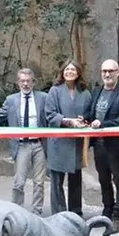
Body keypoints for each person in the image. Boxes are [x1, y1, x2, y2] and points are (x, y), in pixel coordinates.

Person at [0, 68, 49, 214]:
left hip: (39, 144)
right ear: (18, 83)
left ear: (33, 82)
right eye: (22, 81)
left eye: (28, 81)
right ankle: (17, 211)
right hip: (22, 145)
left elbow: (51, 116)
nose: (25, 84)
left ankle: (37, 212)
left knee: (39, 182)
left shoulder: (43, 98)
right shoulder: (11, 100)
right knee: (19, 182)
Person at [86, 59, 119, 234]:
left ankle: (118, 215)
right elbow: (90, 114)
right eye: (104, 71)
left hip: (116, 146)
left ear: (118, 72)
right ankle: (107, 211)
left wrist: (103, 124)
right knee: (103, 180)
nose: (107, 74)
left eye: (111, 71)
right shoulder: (97, 91)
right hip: (99, 145)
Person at [44, 60, 91, 217]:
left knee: (76, 180)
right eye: (67, 69)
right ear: (62, 72)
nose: (69, 72)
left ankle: (75, 213)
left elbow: (89, 113)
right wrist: (67, 121)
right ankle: (59, 214)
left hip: (76, 142)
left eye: (73, 69)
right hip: (59, 142)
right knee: (56, 182)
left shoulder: (85, 93)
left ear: (78, 73)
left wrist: (83, 119)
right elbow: (50, 114)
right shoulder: (54, 91)